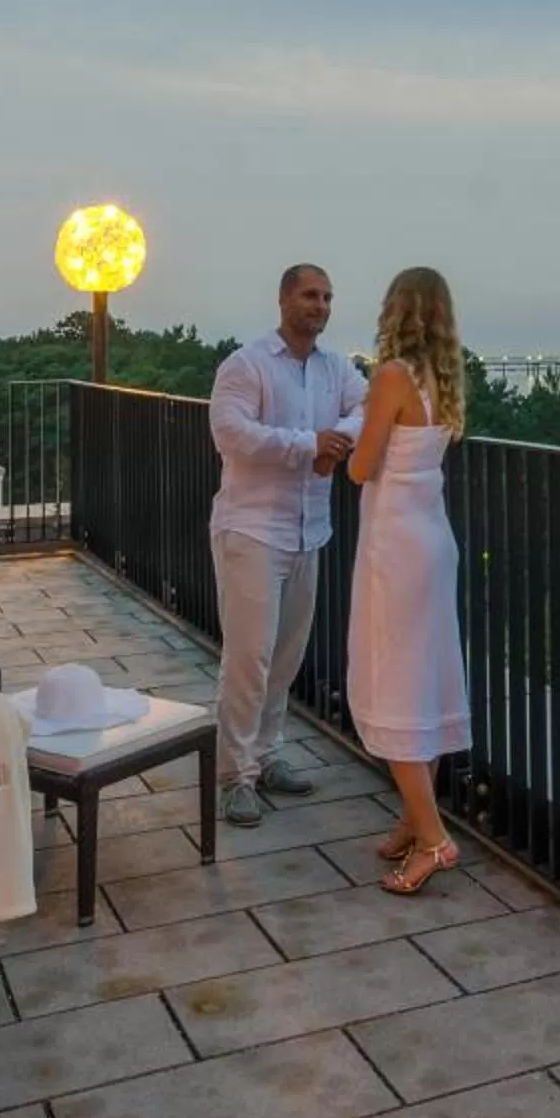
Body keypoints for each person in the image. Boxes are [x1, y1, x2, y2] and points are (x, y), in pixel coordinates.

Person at [207, 263, 367, 827]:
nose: (319, 305)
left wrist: (338, 441)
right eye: (309, 295)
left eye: (327, 296)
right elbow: (230, 433)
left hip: (308, 531)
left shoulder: (335, 369)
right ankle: (233, 775)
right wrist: (309, 445)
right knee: (248, 657)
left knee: (287, 655)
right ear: (283, 300)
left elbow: (368, 409)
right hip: (252, 529)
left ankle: (266, 753)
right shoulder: (247, 364)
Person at [344, 266, 470, 895]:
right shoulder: (444, 382)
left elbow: (363, 467)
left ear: (397, 312)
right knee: (424, 678)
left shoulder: (391, 377)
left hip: (395, 548)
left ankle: (434, 841)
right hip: (433, 542)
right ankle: (414, 816)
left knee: (393, 680)